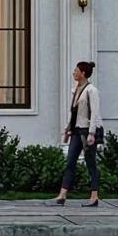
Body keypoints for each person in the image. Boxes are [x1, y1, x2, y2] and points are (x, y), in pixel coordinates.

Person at [48, 60, 102, 207]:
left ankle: (94, 195)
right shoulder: (76, 89)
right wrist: (68, 128)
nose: (74, 72)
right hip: (77, 131)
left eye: (76, 70)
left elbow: (95, 113)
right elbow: (74, 112)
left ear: (83, 73)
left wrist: (92, 133)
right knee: (70, 162)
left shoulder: (91, 90)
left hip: (87, 132)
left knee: (91, 163)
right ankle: (62, 195)